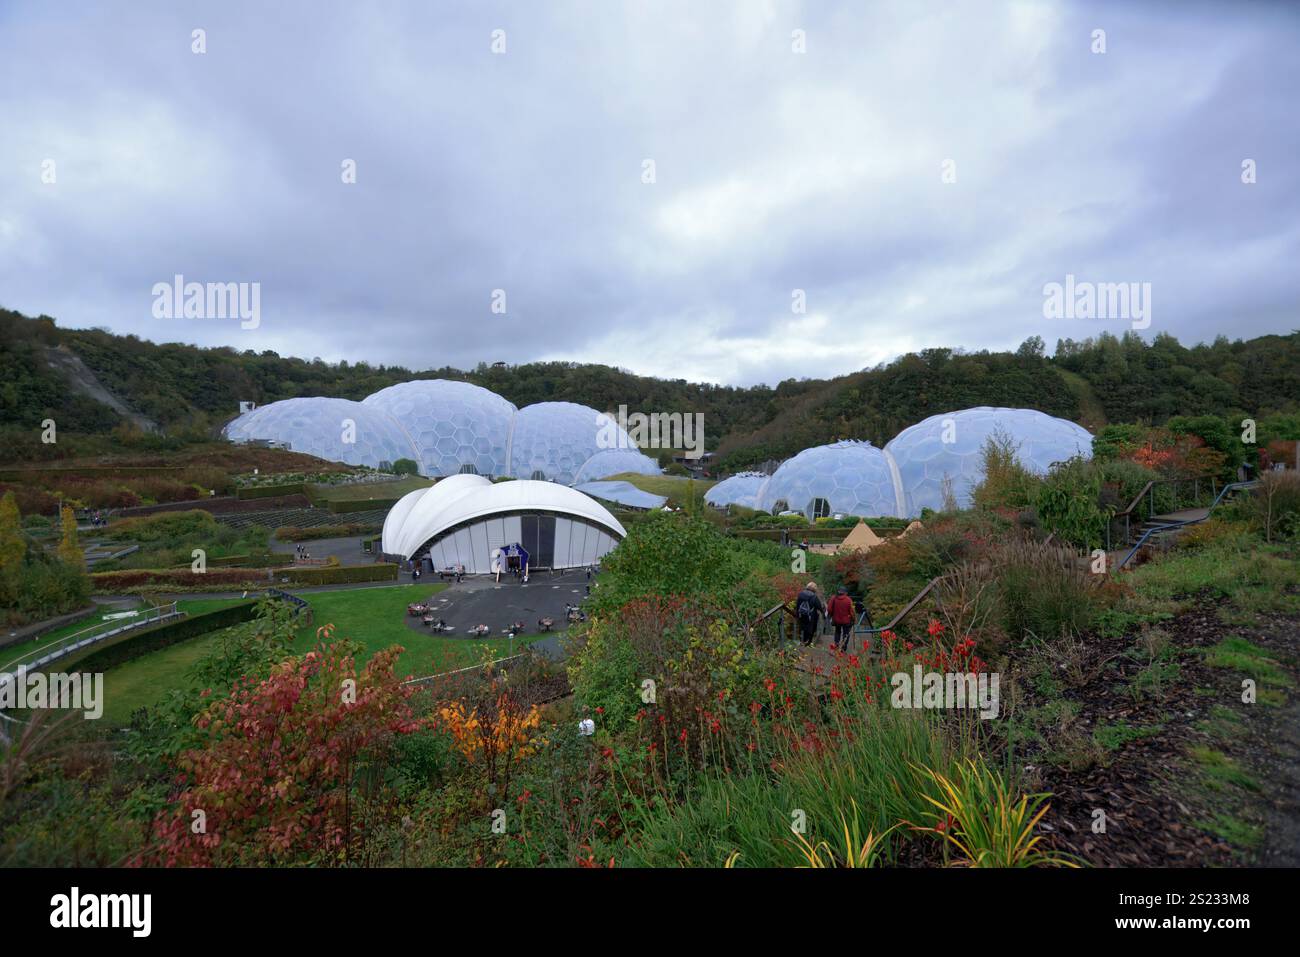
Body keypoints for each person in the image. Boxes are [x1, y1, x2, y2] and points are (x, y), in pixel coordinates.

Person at [794, 581, 824, 646]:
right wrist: (823, 612)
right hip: (811, 615)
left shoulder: (800, 594)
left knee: (802, 627)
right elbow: (819, 606)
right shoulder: (814, 596)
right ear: (814, 589)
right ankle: (808, 642)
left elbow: (797, 604)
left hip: (801, 614)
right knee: (811, 628)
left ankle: (802, 641)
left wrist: (797, 614)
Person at [828, 586, 855, 651]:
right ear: (845, 592)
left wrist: (832, 615)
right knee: (846, 634)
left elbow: (829, 609)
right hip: (846, 621)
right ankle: (843, 648)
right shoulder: (848, 600)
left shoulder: (833, 598)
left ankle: (836, 646)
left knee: (837, 632)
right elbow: (852, 611)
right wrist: (853, 619)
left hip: (836, 620)